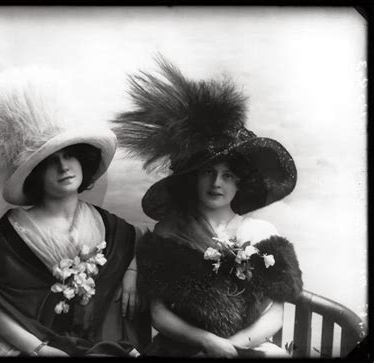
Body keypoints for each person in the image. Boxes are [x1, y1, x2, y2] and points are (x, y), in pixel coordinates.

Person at [112, 58, 303, 357]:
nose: (217, 183)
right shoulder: (170, 231)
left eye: (228, 175)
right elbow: (159, 314)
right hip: (183, 348)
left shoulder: (262, 232)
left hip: (244, 346)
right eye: (207, 172)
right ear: (192, 178)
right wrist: (206, 342)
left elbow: (275, 313)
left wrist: (232, 348)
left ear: (241, 183)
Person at [0, 66, 150, 356]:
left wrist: (130, 272)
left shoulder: (105, 224)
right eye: (50, 161)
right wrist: (40, 349)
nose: (64, 167)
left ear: (82, 160)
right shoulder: (13, 232)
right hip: (28, 346)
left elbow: (139, 241)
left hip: (93, 343)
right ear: (36, 173)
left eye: (69, 156)